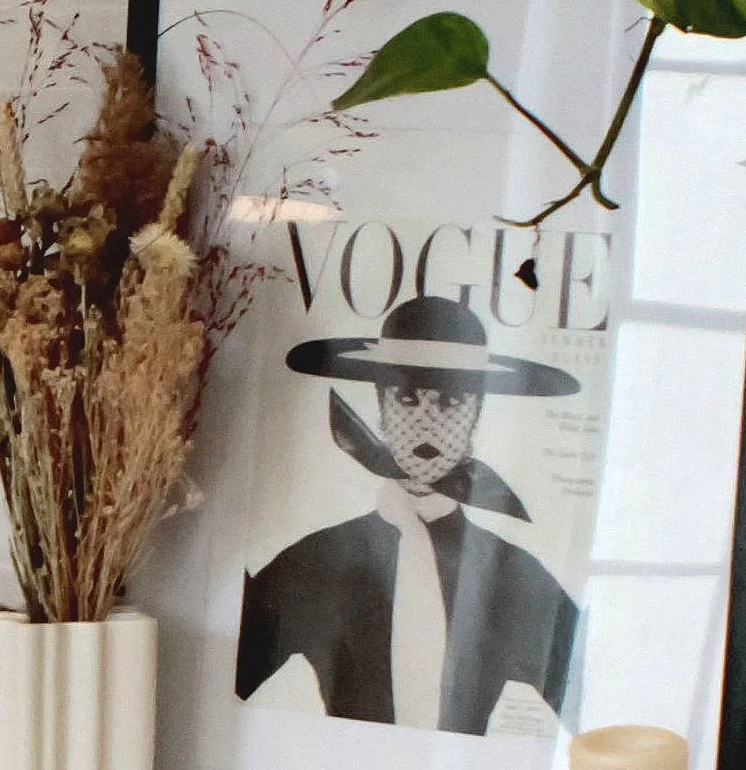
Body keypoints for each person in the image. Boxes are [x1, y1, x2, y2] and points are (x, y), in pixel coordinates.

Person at [235, 293, 581, 735]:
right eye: (406, 398)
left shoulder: (515, 575)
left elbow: (596, 703)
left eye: (451, 403)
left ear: (477, 414)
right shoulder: (316, 561)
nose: (426, 421)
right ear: (381, 407)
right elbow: (216, 688)